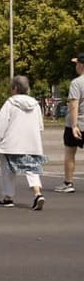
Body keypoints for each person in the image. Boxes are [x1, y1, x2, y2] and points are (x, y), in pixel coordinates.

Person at [0, 75, 48, 210]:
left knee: (7, 170)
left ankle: (8, 197)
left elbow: (1, 126)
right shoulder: (35, 104)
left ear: (15, 88)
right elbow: (40, 126)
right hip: (31, 143)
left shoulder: (10, 103)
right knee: (32, 170)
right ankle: (37, 193)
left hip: (11, 144)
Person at [55, 53, 84, 193]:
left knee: (70, 152)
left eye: (77, 63)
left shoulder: (77, 83)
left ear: (81, 65)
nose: (76, 66)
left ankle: (68, 183)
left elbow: (74, 104)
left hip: (78, 123)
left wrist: (74, 125)